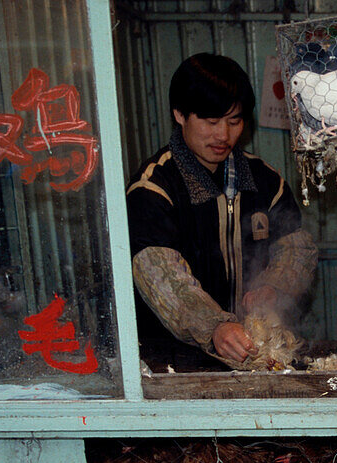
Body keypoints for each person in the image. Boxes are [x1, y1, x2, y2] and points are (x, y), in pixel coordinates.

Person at [126, 53, 316, 365]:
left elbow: (296, 247)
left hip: (257, 353)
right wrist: (214, 327)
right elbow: (161, 276)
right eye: (211, 121)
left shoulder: (266, 181)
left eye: (234, 121)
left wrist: (274, 285)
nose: (223, 135)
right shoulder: (154, 189)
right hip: (173, 359)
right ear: (180, 114)